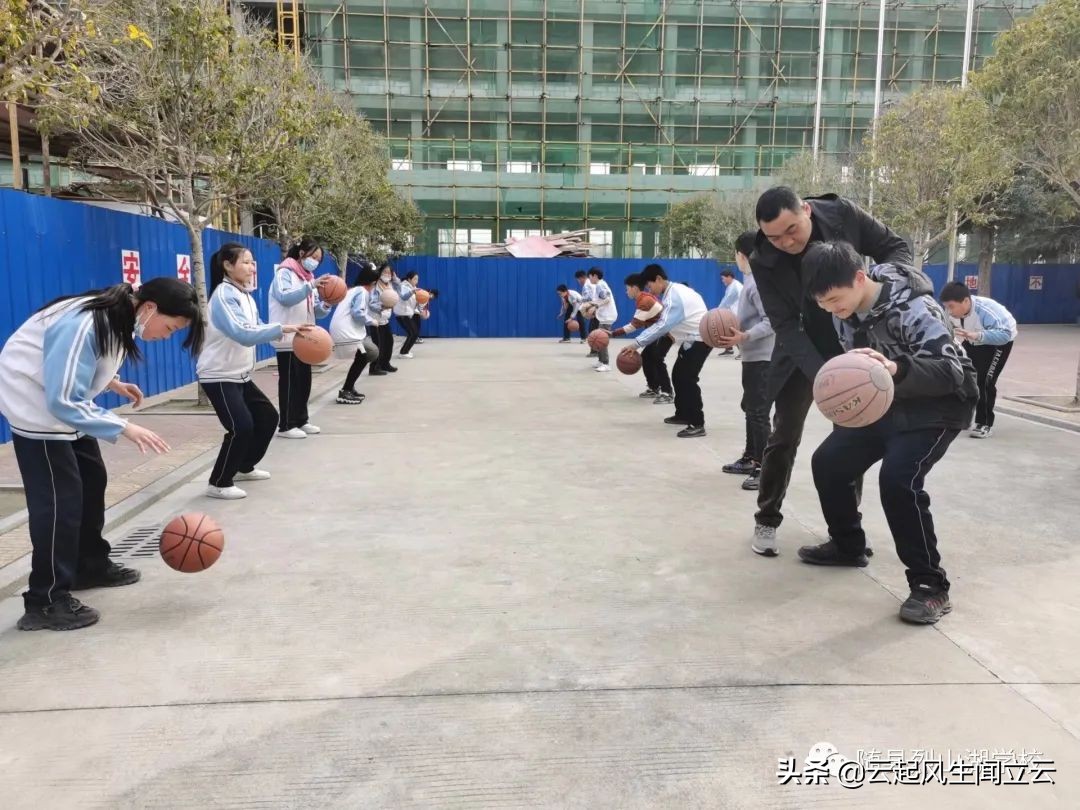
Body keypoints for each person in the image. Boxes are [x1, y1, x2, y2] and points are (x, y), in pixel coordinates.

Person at [0, 278, 204, 631]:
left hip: (61, 402)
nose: (167, 336)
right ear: (151, 308)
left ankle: (87, 564)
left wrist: (112, 382)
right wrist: (124, 427)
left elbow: (79, 361)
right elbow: (61, 398)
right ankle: (45, 601)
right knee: (59, 502)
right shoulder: (84, 322)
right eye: (170, 328)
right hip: (37, 405)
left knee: (93, 480)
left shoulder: (122, 314)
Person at [801, 241, 977, 624]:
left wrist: (895, 369)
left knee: (898, 480)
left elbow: (952, 372)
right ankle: (849, 546)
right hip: (885, 402)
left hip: (938, 404)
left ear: (860, 278)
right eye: (823, 304)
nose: (832, 309)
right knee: (828, 462)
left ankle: (931, 585)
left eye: (834, 299)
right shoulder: (842, 311)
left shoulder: (917, 307)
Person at [749, 186, 911, 557]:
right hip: (802, 351)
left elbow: (895, 247)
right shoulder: (763, 259)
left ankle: (847, 537)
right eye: (775, 237)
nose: (786, 242)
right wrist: (824, 373)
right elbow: (784, 323)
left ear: (806, 210)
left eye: (792, 230)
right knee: (784, 435)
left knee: (850, 438)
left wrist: (882, 291)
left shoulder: (843, 214)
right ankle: (767, 517)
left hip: (856, 344)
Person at [198, 243, 310, 500]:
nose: (251, 267)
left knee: (268, 418)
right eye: (246, 262)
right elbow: (243, 333)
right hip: (219, 376)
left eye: (252, 262)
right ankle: (219, 481)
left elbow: (256, 326)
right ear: (228, 265)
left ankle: (242, 466)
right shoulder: (224, 295)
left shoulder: (244, 295)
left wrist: (286, 328)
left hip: (239, 374)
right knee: (241, 427)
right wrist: (283, 328)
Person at [717, 231, 775, 491]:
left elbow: (771, 321)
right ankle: (751, 457)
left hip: (763, 357)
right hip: (752, 356)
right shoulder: (750, 280)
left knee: (759, 413)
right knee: (750, 408)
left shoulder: (759, 283)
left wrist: (745, 335)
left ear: (742, 255)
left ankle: (765, 467)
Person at [631, 264, 710, 437]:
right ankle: (682, 414)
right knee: (678, 375)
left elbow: (663, 324)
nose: (650, 291)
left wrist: (636, 343)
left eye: (650, 286)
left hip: (699, 339)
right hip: (693, 338)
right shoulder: (674, 292)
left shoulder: (675, 295)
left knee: (687, 379)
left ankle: (697, 423)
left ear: (659, 279)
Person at [269, 237, 333, 439]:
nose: (315, 261)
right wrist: (311, 285)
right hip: (288, 337)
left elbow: (314, 310)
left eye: (318, 259)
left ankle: (301, 420)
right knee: (289, 383)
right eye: (313, 256)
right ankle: (286, 425)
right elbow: (285, 297)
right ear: (301, 252)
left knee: (304, 382)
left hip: (305, 338)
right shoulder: (285, 272)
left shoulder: (306, 278)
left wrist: (326, 304)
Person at [939, 282, 1018, 439]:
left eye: (952, 306)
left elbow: (1005, 334)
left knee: (985, 380)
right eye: (946, 307)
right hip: (972, 338)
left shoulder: (986, 310)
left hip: (999, 342)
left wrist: (978, 335)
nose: (949, 311)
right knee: (962, 374)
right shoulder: (950, 314)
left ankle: (985, 423)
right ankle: (963, 417)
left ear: (966, 302)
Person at [611, 273, 672, 403]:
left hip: (665, 333)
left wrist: (612, 333)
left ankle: (667, 392)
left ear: (634, 288)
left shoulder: (645, 301)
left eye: (627, 288)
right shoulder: (643, 298)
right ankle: (654, 388)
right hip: (656, 333)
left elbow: (634, 325)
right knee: (647, 357)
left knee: (657, 358)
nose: (626, 292)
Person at [331, 263, 382, 403]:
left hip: (343, 328)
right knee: (367, 354)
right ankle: (346, 390)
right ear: (372, 282)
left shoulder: (354, 290)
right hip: (346, 330)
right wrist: (372, 321)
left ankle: (348, 387)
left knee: (365, 355)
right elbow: (357, 312)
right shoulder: (362, 292)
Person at [588, 268, 618, 372]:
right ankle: (601, 361)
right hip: (605, 316)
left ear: (594, 276)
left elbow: (607, 299)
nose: (589, 279)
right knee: (598, 337)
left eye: (590, 276)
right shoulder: (601, 284)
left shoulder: (600, 285)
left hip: (607, 316)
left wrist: (595, 307)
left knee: (601, 339)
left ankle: (606, 364)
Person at [371, 264, 398, 373]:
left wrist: (396, 279)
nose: (387, 274)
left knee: (389, 342)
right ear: (380, 272)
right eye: (384, 272)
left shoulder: (390, 285)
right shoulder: (375, 286)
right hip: (375, 319)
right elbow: (371, 303)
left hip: (385, 319)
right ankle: (374, 368)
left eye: (389, 273)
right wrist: (381, 307)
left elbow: (401, 289)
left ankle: (385, 364)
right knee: (378, 344)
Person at [394, 270, 421, 359]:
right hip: (402, 314)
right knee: (414, 333)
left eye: (417, 279)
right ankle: (403, 352)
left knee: (412, 333)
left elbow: (413, 302)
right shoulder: (404, 286)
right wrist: (413, 292)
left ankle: (404, 351)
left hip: (407, 314)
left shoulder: (412, 287)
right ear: (409, 279)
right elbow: (404, 297)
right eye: (415, 279)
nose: (416, 281)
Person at [718, 269, 744, 356]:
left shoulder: (734, 287)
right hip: (734, 313)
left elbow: (726, 302)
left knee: (734, 332)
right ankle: (728, 349)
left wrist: (716, 311)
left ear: (729, 277)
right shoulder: (732, 285)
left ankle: (743, 352)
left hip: (738, 314)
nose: (722, 280)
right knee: (726, 330)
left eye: (723, 278)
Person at [576, 269, 598, 353]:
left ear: (581, 278)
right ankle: (595, 351)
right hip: (596, 307)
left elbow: (589, 297)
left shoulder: (586, 285)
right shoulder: (591, 283)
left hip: (594, 308)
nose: (578, 282)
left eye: (578, 280)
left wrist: (580, 299)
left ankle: (595, 351)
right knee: (593, 329)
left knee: (592, 330)